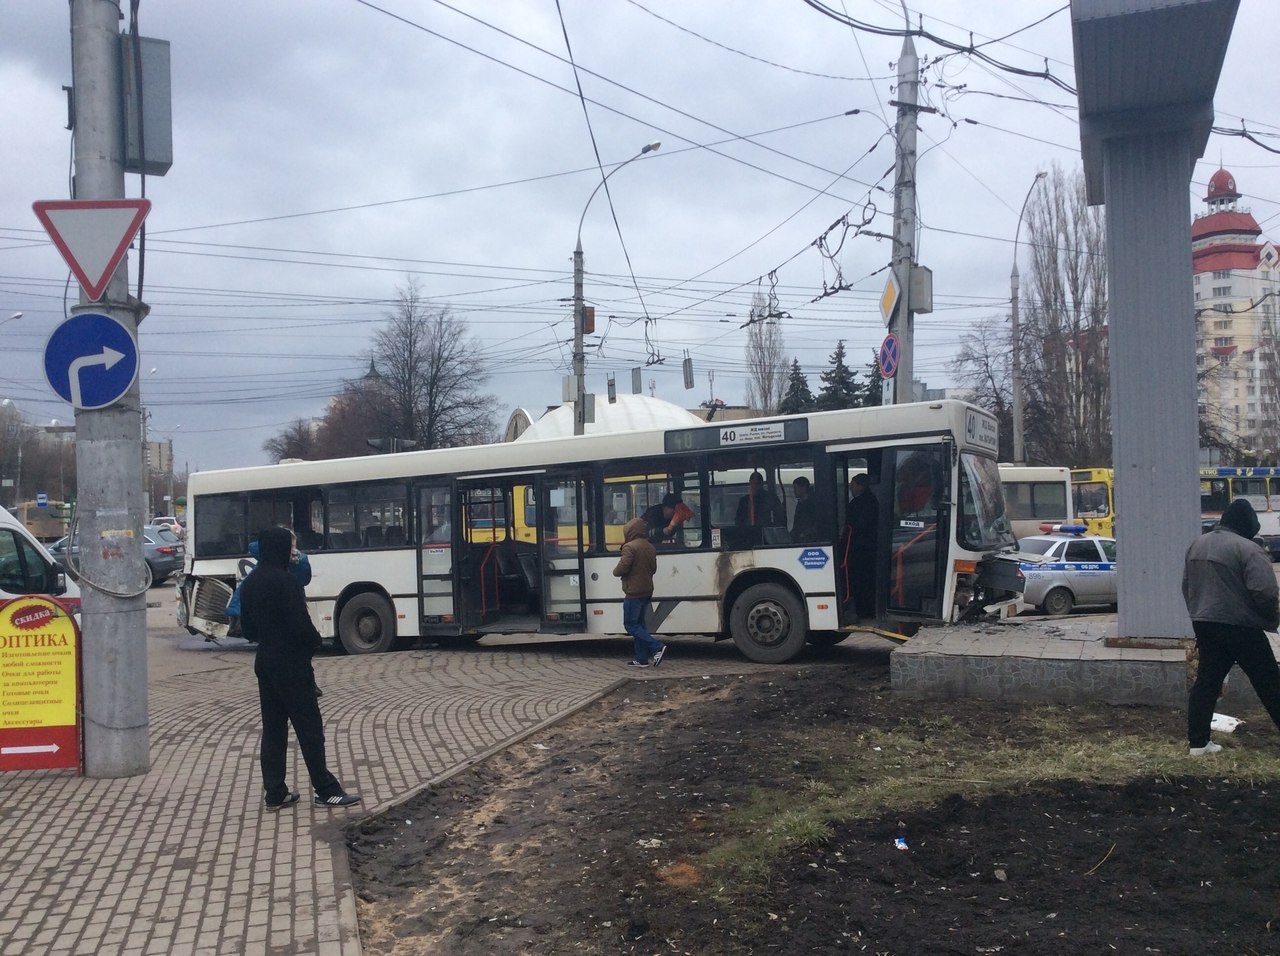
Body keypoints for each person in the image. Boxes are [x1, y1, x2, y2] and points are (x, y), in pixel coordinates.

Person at [240, 526, 360, 810]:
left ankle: (275, 792)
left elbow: (247, 629)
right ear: (281, 549)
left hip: (265, 661)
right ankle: (326, 789)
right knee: (309, 728)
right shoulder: (285, 582)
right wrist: (314, 642)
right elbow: (300, 627)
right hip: (291, 663)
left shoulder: (250, 582)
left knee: (273, 728)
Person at [1182, 498, 1280, 756]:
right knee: (1269, 681)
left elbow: (1187, 586)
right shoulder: (1248, 549)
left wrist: (1198, 615)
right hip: (1241, 626)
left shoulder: (1197, 544)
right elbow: (1266, 592)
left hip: (1205, 623)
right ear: (1248, 525)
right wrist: (1270, 618)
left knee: (1207, 682)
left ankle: (1198, 744)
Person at [613, 517, 665, 668]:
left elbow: (622, 567)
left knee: (630, 624)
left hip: (634, 591)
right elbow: (653, 569)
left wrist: (615, 572)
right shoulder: (649, 546)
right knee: (640, 624)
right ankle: (641, 659)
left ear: (630, 531)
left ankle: (657, 647)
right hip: (647, 590)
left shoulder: (629, 547)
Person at [843, 474, 879, 619]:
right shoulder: (872, 500)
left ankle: (863, 611)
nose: (850, 488)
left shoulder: (858, 503)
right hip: (869, 548)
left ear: (860, 486)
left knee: (860, 582)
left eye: (852, 485)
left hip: (859, 549)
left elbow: (853, 527)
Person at [790, 476, 818, 542]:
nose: (794, 491)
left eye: (795, 488)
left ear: (803, 488)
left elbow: (815, 524)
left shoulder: (812, 504)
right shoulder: (799, 504)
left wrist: (804, 534)